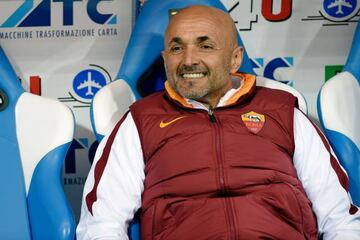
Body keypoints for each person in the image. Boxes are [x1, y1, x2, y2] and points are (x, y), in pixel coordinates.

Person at [77, 5, 360, 240]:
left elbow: (340, 217)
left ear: (235, 59)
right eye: (177, 48)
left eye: (205, 46)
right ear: (165, 59)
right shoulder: (139, 121)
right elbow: (102, 224)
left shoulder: (283, 110)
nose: (189, 60)